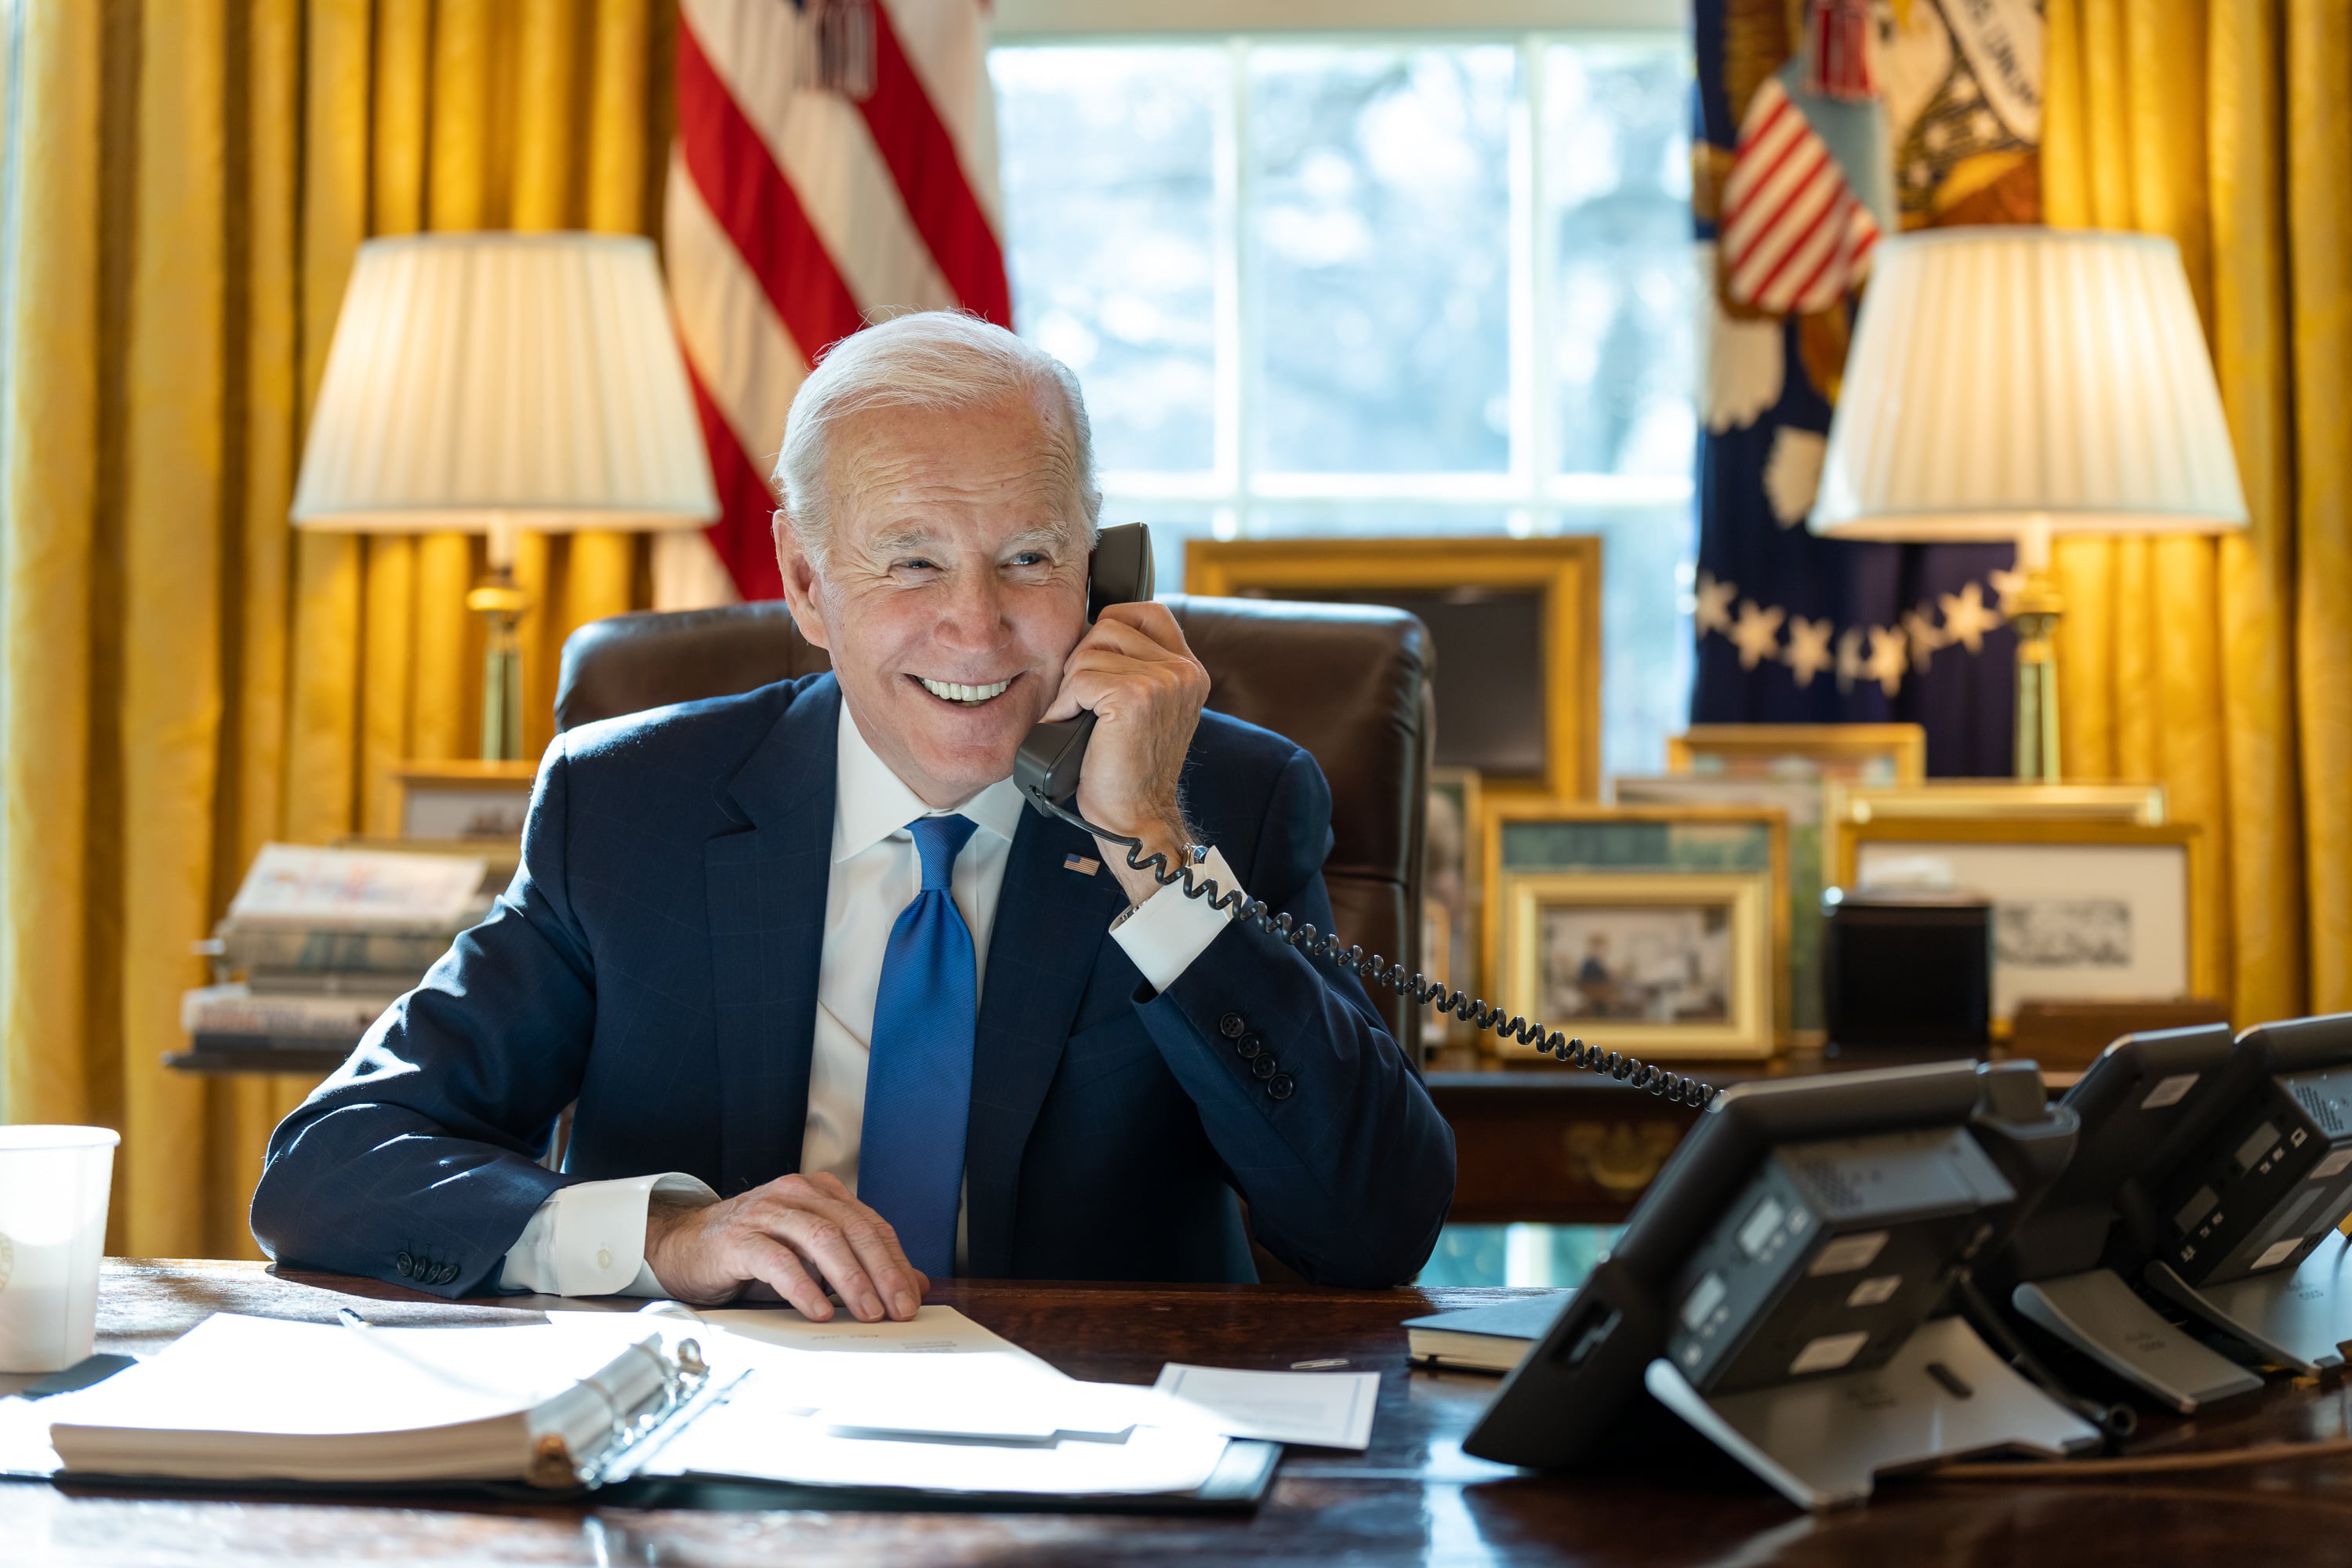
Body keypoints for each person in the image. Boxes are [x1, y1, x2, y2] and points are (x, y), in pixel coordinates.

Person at [251, 311, 1455, 1321]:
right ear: (805, 581)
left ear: (1102, 567)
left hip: (1101, 1457)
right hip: (716, 1455)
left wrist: (1152, 845)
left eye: (1030, 558)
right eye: (913, 562)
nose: (977, 629)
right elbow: (330, 1167)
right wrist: (662, 1235)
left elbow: (1372, 1229)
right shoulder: (628, 809)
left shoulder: (1223, 803)